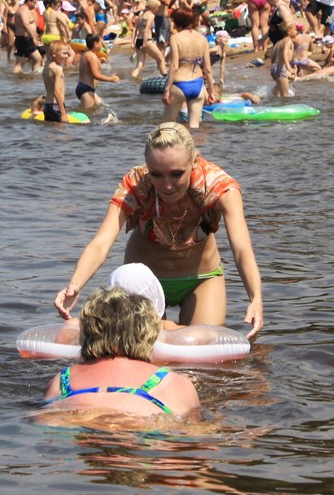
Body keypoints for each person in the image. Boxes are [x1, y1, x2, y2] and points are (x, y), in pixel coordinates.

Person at [55, 122, 263, 338]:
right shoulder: (135, 185)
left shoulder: (219, 187)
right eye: (156, 174)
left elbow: (241, 249)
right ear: (147, 166)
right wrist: (74, 285)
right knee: (141, 348)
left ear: (194, 160)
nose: (167, 185)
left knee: (203, 352)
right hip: (144, 281)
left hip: (202, 278)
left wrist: (255, 298)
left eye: (176, 174)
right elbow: (101, 243)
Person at [42, 287, 200, 419]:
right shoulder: (174, 383)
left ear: (87, 332)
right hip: (144, 423)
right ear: (147, 334)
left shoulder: (62, 380)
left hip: (74, 422)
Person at [163, 6, 216, 127]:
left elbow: (174, 66)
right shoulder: (202, 39)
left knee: (167, 126)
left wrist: (166, 89)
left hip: (179, 84)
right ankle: (194, 146)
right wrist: (211, 91)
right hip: (197, 85)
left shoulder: (175, 38)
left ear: (177, 22)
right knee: (194, 127)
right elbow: (208, 68)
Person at [75, 42, 121, 111]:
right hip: (86, 89)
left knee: (102, 106)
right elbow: (95, 75)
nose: (102, 46)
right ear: (95, 44)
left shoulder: (86, 54)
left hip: (86, 88)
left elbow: (89, 71)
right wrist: (111, 79)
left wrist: (99, 63)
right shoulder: (91, 56)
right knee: (88, 113)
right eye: (101, 44)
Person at [40, 41, 72, 123]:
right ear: (54, 54)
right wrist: (63, 113)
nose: (66, 56)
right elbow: (57, 92)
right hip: (56, 106)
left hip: (47, 106)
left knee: (50, 133)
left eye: (67, 54)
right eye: (64, 53)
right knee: (61, 134)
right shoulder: (58, 69)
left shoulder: (47, 66)